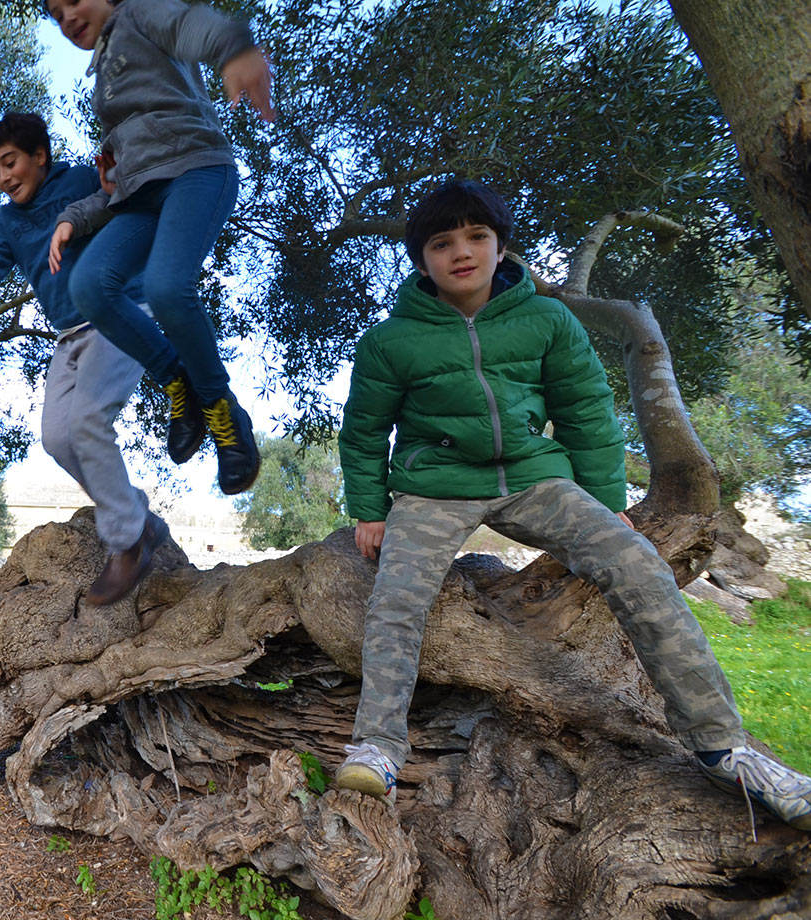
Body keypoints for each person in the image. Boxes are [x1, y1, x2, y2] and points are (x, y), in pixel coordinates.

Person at [334, 178, 811, 832]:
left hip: (536, 476)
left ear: (501, 246)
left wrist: (606, 501)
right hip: (433, 482)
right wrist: (369, 509)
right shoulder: (390, 340)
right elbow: (363, 430)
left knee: (637, 564)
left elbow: (586, 411)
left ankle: (721, 744)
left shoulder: (547, 320)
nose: (462, 252)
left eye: (477, 236)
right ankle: (378, 746)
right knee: (396, 596)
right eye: (443, 243)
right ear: (423, 261)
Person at [0, 112, 168, 605]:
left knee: (89, 421)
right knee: (56, 438)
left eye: (10, 163)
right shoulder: (8, 222)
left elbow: (131, 200)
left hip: (120, 312)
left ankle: (128, 544)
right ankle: (139, 519)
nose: (4, 177)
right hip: (70, 333)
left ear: (38, 157)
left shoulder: (81, 181)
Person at [41, 0, 274, 496]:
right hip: (142, 197)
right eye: (58, 15)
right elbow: (117, 182)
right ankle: (178, 383)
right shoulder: (102, 78)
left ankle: (221, 411)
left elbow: (189, 23)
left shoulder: (140, 12)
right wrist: (74, 217)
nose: (69, 17)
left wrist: (233, 47)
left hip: (197, 169)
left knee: (169, 290)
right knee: (89, 286)